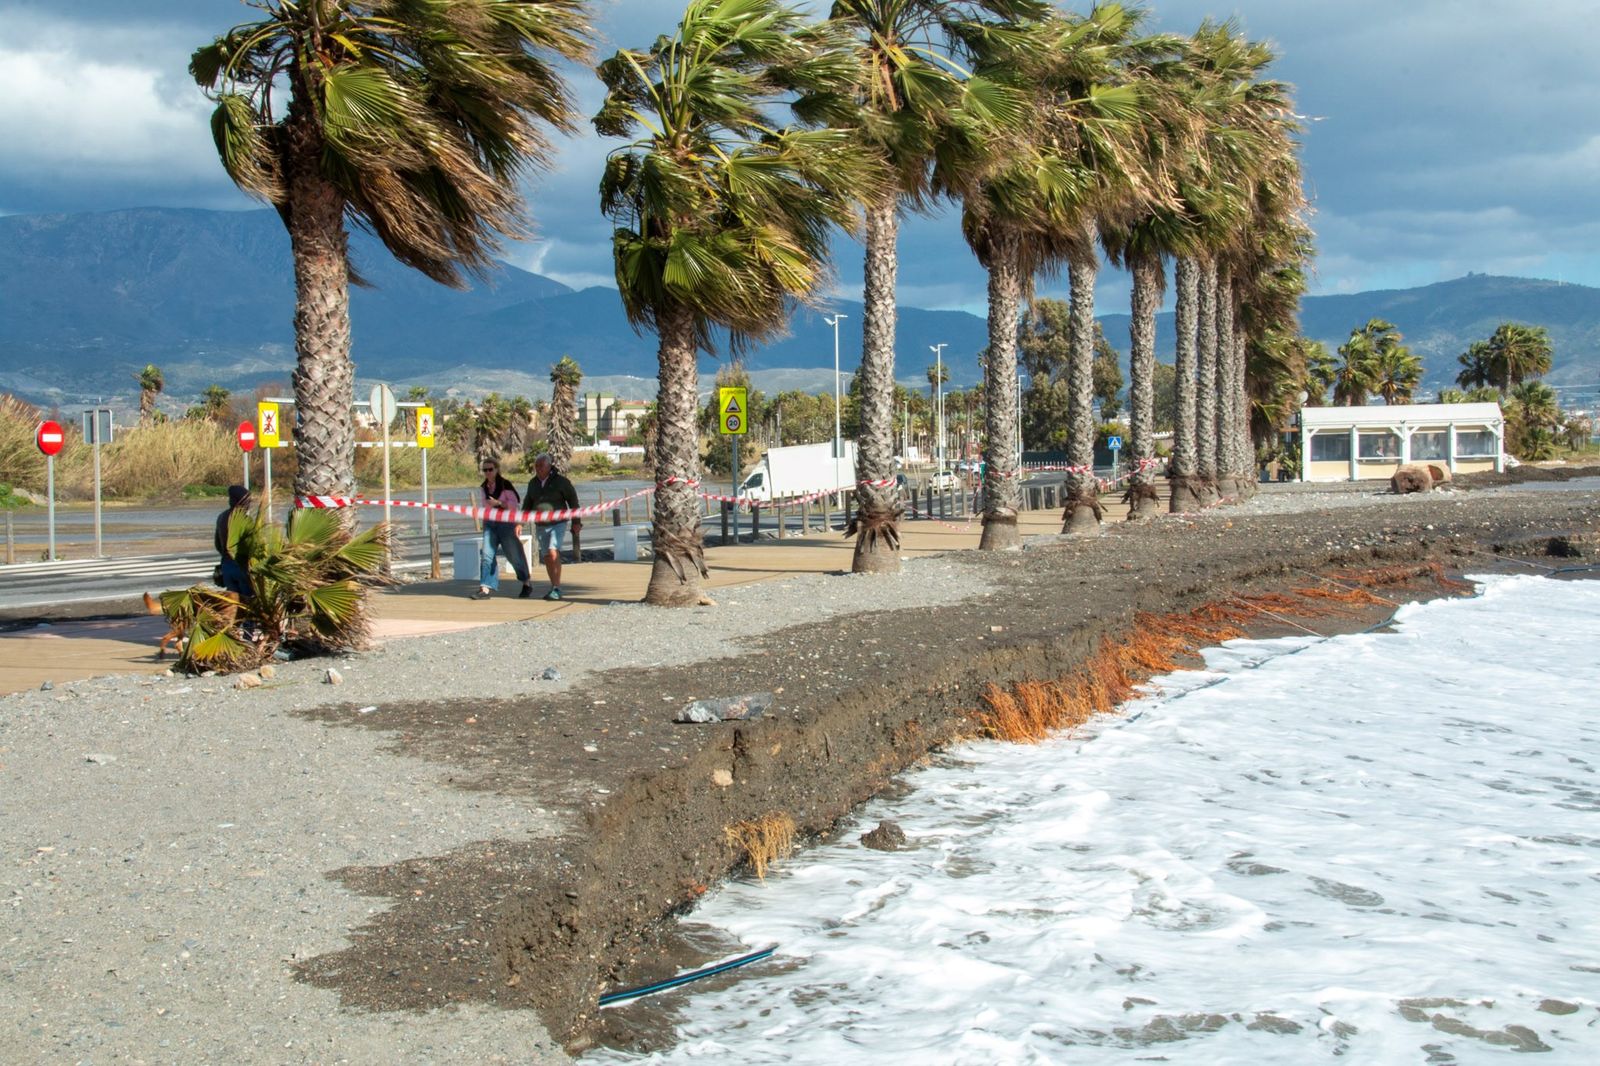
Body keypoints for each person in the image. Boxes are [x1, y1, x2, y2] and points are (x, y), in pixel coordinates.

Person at [473, 457, 534, 600]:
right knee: (487, 555)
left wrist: (499, 503)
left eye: (490, 469)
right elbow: (485, 505)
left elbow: (514, 505)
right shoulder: (483, 487)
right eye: (485, 470)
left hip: (506, 523)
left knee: (514, 555)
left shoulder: (506, 486)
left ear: (496, 469)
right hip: (490, 523)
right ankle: (485, 588)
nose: (488, 472)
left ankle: (526, 582)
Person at [525, 452, 580, 601]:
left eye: (541, 466)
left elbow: (573, 502)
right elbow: (527, 504)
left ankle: (557, 587)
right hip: (541, 525)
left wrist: (576, 522)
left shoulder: (561, 482)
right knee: (547, 557)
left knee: (553, 551)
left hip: (558, 523)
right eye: (536, 466)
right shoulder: (533, 483)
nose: (538, 468)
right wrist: (519, 522)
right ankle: (553, 585)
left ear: (549, 467)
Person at [214, 485, 252, 597]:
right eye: (247, 501)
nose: (249, 504)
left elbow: (217, 544)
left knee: (233, 601)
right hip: (241, 566)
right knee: (248, 601)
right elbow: (251, 544)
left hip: (226, 565)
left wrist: (226, 554)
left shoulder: (221, 517)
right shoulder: (245, 520)